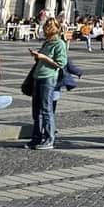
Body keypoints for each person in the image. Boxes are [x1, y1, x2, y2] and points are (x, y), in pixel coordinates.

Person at [27, 19, 67, 150]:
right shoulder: (47, 42)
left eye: (47, 27)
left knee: (46, 109)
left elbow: (61, 64)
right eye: (45, 26)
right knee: (36, 111)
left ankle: (49, 139)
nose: (45, 29)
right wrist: (37, 56)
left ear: (55, 29)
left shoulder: (59, 43)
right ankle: (36, 138)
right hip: (37, 77)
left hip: (48, 78)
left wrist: (43, 57)